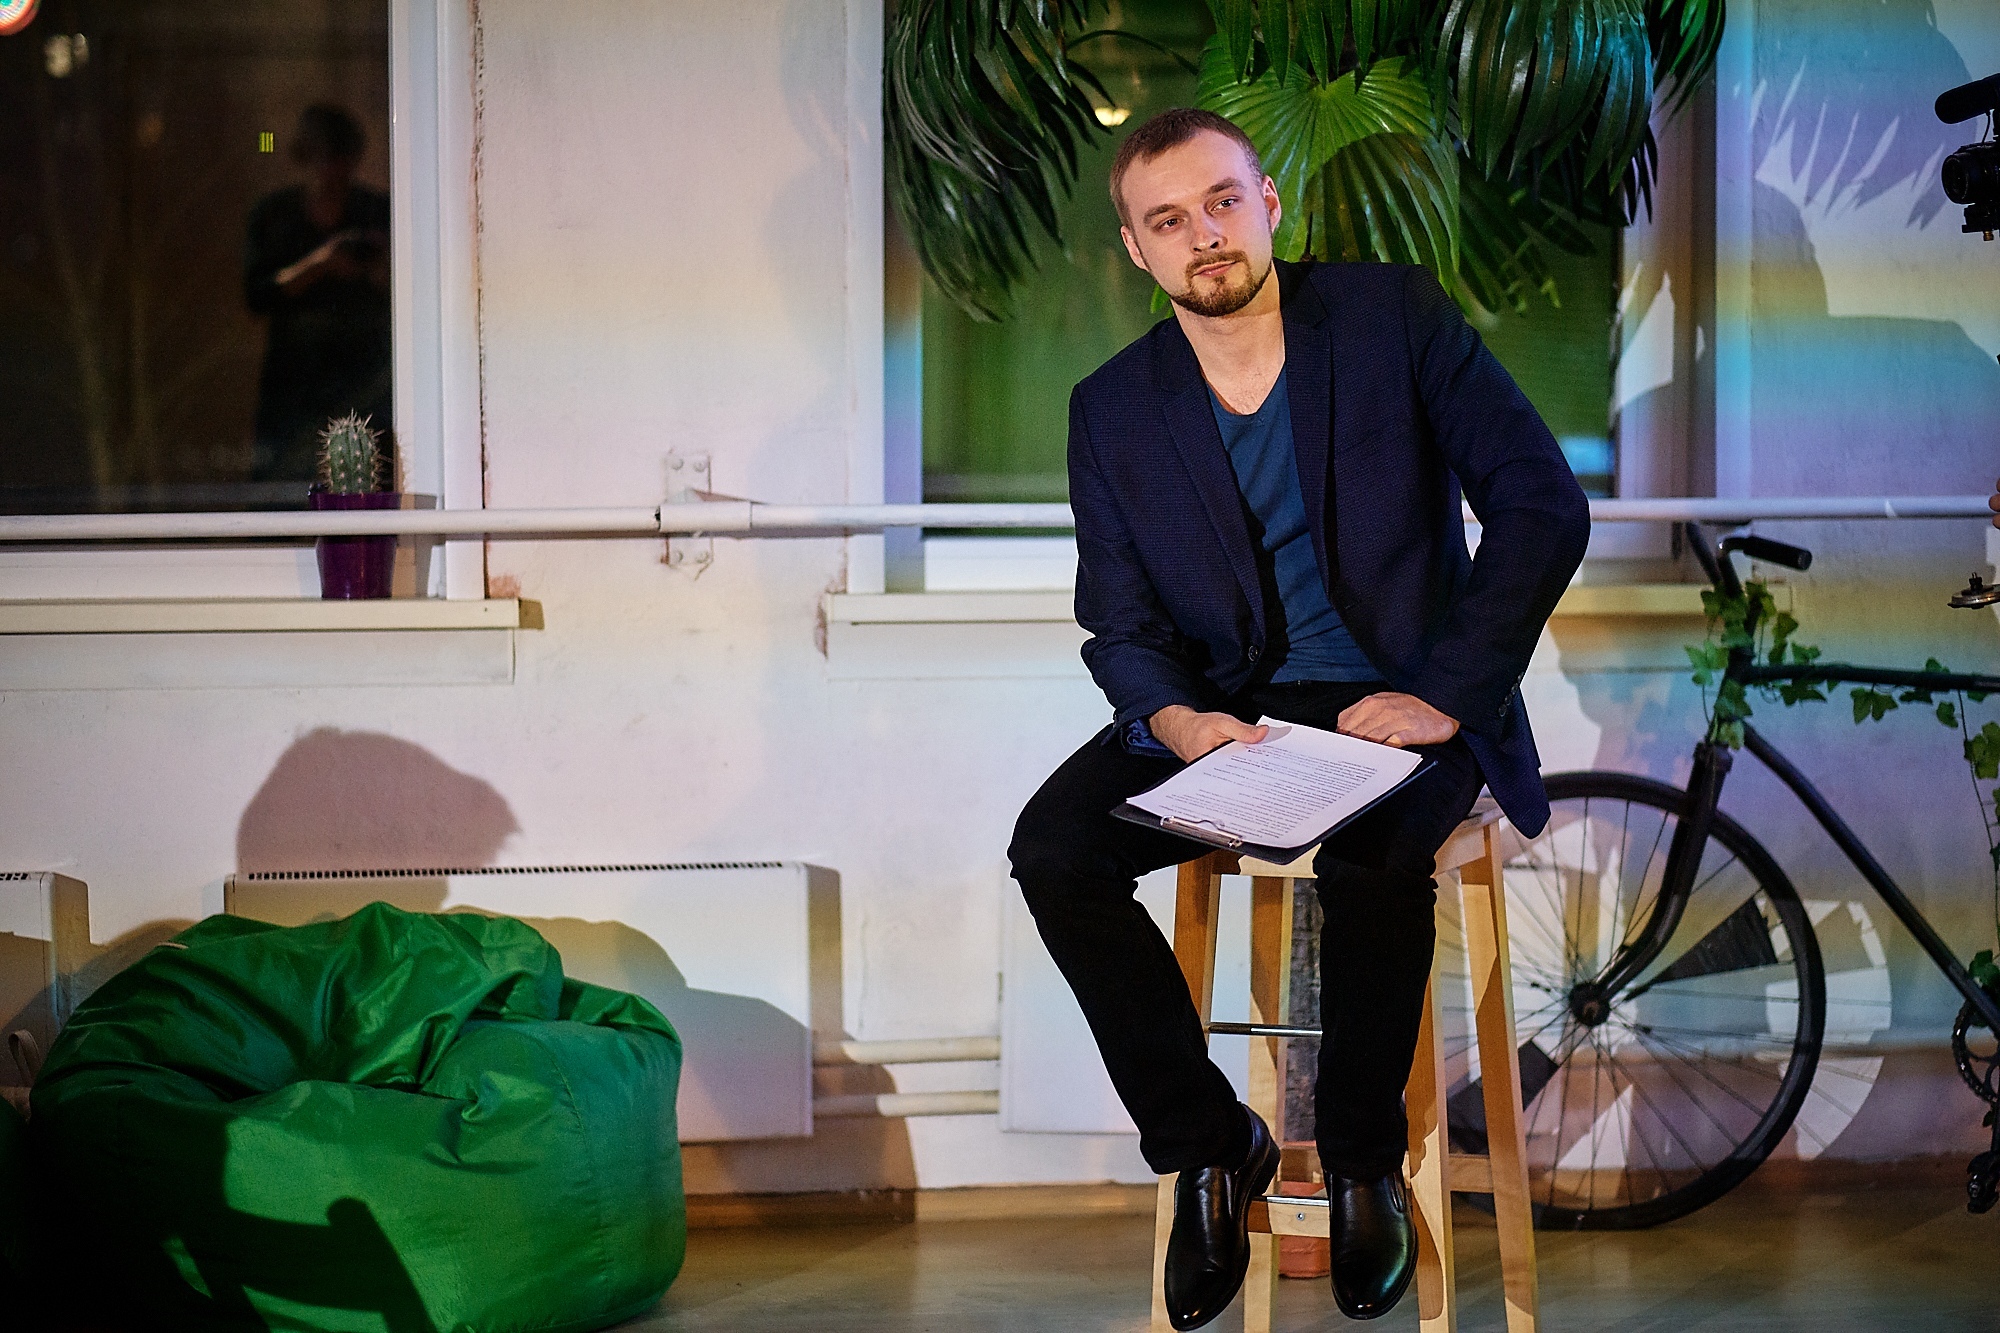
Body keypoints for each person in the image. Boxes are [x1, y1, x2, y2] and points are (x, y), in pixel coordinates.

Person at [1007, 108, 1589, 1328]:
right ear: (1135, 249)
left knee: (1372, 862)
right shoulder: (1110, 407)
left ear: (1266, 201)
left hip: (1400, 694)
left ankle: (1364, 1163)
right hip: (1228, 715)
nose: (1204, 234)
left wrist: (1444, 692)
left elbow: (1539, 502)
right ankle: (1211, 1148)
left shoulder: (1388, 317)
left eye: (1222, 201)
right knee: (1052, 850)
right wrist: (1175, 722)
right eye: (1168, 219)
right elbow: (1118, 619)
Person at [244, 103, 392, 487]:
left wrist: (376, 269)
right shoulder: (275, 216)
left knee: (363, 488)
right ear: (303, 156)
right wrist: (318, 265)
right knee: (282, 490)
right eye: (321, 157)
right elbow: (258, 295)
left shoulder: (377, 211)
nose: (330, 171)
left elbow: (410, 288)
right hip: (294, 384)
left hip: (363, 379)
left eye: (340, 158)